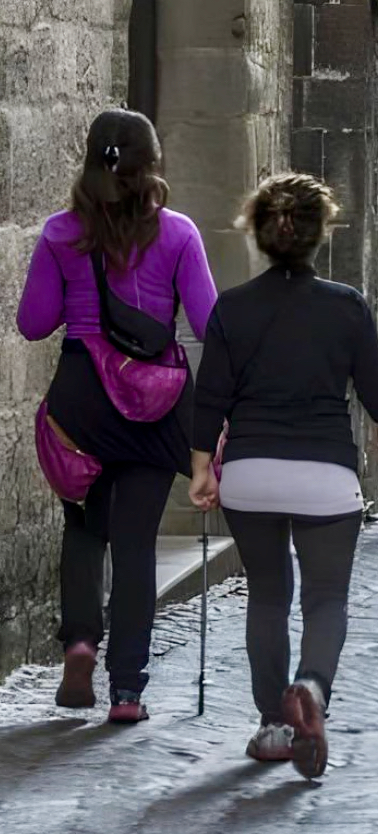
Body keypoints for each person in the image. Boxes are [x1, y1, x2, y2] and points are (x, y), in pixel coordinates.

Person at [188, 174, 378, 779]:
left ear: (259, 234)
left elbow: (212, 397)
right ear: (319, 236)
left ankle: (274, 725)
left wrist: (203, 468)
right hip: (325, 474)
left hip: (251, 473)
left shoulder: (231, 308)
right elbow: (376, 387)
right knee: (326, 597)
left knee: (268, 595)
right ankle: (310, 688)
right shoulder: (346, 306)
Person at [16, 109, 218, 722]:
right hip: (154, 405)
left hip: (81, 399)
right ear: (152, 164)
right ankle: (127, 689)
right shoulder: (179, 234)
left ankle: (80, 641)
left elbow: (32, 324)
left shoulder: (59, 233)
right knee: (135, 545)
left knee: (82, 527)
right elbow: (210, 324)